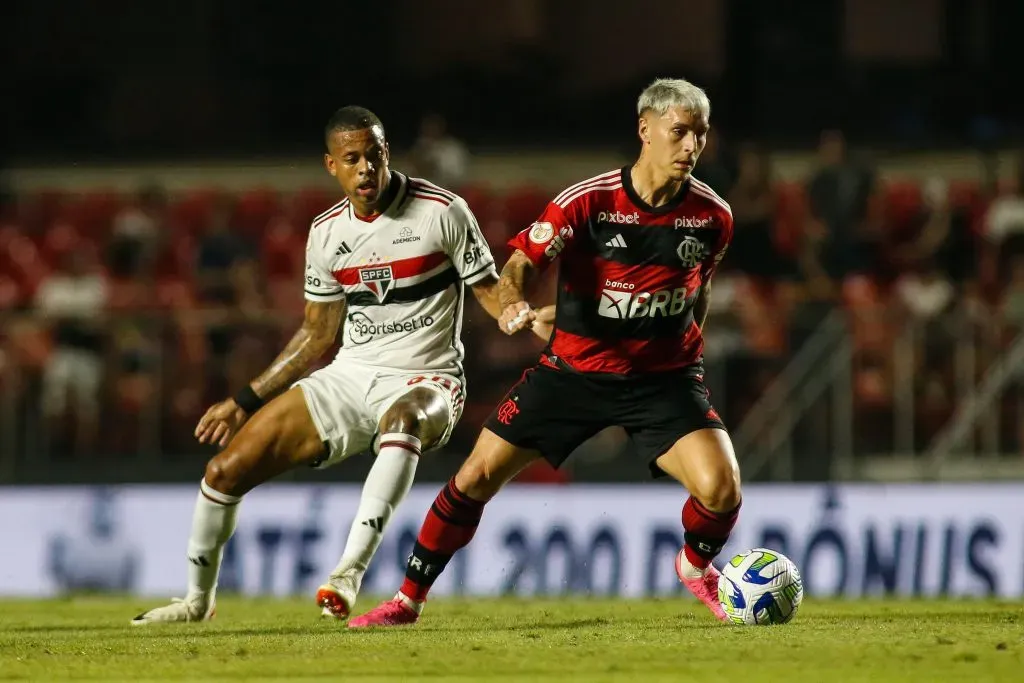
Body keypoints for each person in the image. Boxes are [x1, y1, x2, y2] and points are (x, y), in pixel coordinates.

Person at [131, 106, 552, 625]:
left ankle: (348, 574)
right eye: (352, 159)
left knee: (403, 421)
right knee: (224, 471)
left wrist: (513, 311)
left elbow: (487, 288)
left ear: (387, 153)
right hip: (349, 375)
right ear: (332, 165)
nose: (366, 169)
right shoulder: (327, 233)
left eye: (374, 156)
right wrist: (244, 400)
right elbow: (316, 334)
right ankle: (197, 603)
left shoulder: (442, 210)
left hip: (429, 377)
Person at [351, 77, 740, 628]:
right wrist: (513, 302)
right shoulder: (587, 202)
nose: (692, 146)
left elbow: (697, 292)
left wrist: (683, 349)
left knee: (723, 489)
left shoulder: (713, 216)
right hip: (572, 374)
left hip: (664, 379)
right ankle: (407, 600)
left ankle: (695, 566)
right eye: (679, 132)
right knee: (474, 478)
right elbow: (519, 266)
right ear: (645, 130)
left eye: (700, 134)